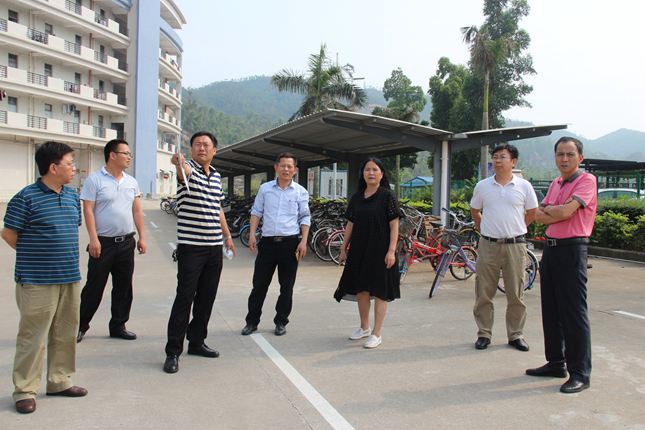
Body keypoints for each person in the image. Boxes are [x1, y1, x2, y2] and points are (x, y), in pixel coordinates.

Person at [2, 141, 88, 414]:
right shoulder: (25, 198)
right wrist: (35, 255)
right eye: (70, 163)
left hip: (69, 276)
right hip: (37, 279)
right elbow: (9, 234)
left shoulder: (72, 196)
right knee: (33, 337)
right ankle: (24, 390)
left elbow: (70, 228)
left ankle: (59, 381)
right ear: (53, 167)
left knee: (65, 333)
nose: (74, 168)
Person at [526, 137, 597, 394]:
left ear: (580, 157)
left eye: (569, 154)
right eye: (560, 154)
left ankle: (580, 373)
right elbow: (538, 215)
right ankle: (556, 363)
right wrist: (557, 210)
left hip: (572, 250)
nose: (564, 159)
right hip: (551, 250)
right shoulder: (556, 183)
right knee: (551, 309)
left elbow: (565, 213)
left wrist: (556, 211)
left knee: (573, 313)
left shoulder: (587, 180)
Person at [163, 131, 235, 374]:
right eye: (197, 145)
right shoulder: (188, 170)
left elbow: (218, 208)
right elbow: (182, 170)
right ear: (191, 149)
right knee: (184, 298)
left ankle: (196, 342)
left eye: (206, 145)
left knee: (206, 298)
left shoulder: (216, 175)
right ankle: (173, 351)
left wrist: (227, 236)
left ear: (214, 150)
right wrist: (178, 162)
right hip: (191, 248)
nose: (201, 148)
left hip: (214, 248)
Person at [76, 139, 146, 343]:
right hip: (103, 243)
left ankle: (118, 326)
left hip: (126, 242)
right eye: (126, 153)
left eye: (130, 154)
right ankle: (80, 326)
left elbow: (137, 211)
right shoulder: (95, 180)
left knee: (124, 287)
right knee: (94, 286)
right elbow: (88, 210)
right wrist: (93, 239)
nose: (129, 157)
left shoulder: (131, 182)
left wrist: (142, 237)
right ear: (112, 155)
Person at [470, 144, 538, 352]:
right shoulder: (483, 186)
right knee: (484, 292)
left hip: (515, 246)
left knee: (516, 293)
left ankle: (516, 335)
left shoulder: (524, 186)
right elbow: (475, 211)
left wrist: (518, 228)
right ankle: (484, 334)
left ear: (513, 161)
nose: (498, 161)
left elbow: (532, 211)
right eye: (495, 157)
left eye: (502, 157)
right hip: (488, 245)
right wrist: (486, 230)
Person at [240, 152, 310, 337]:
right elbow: (256, 212)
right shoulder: (265, 189)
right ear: (276, 167)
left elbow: (305, 217)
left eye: (290, 166)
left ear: (295, 170)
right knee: (259, 285)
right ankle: (251, 322)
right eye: (283, 165)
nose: (286, 169)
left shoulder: (300, 192)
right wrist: (252, 234)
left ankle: (281, 322)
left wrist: (303, 241)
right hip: (267, 244)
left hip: (290, 244)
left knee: (286, 287)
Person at [334, 157, 401, 349]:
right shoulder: (357, 198)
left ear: (382, 173)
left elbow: (394, 225)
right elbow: (350, 223)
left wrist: (391, 251)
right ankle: (364, 327)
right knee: (361, 290)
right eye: (367, 169)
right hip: (359, 250)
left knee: (380, 291)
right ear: (362, 174)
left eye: (375, 169)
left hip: (381, 251)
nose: (371, 173)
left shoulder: (387, 196)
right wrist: (343, 248)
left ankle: (376, 334)